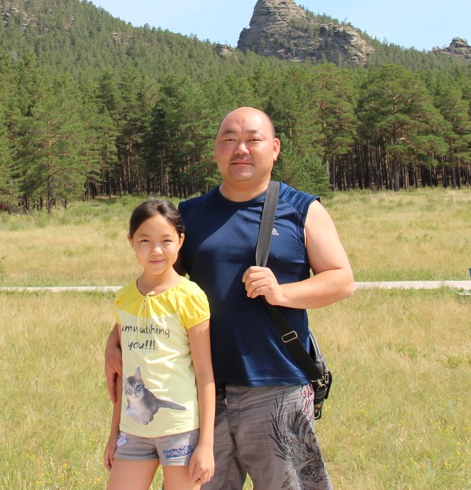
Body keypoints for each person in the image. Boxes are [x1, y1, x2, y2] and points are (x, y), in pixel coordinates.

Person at [106, 106, 355, 490]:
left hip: (278, 386)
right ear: (216, 151)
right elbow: (159, 286)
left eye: (253, 139)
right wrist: (114, 340)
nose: (241, 148)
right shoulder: (190, 215)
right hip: (202, 394)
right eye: (229, 140)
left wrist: (282, 292)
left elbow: (342, 280)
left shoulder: (302, 209)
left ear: (274, 148)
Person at [105, 200, 215, 490]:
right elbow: (124, 374)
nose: (155, 251)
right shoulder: (124, 297)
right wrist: (113, 433)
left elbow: (205, 374)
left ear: (180, 241)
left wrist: (206, 444)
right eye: (144, 240)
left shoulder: (190, 297)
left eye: (166, 240)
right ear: (130, 241)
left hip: (181, 433)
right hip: (133, 432)